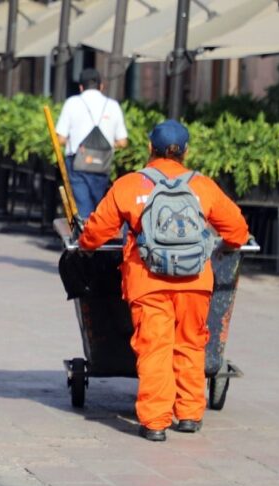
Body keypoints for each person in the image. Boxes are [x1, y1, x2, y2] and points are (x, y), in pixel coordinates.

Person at [78, 120, 250, 442]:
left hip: (148, 281)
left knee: (154, 347)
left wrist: (86, 245)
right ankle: (188, 414)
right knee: (191, 342)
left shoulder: (130, 185)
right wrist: (224, 245)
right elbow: (237, 231)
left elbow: (97, 230)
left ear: (149, 148)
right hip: (195, 281)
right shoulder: (203, 186)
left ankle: (156, 422)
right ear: (186, 151)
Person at [56, 68, 128, 220]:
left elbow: (60, 139)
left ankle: (85, 240)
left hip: (78, 163)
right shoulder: (113, 105)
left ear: (81, 87)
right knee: (98, 205)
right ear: (101, 86)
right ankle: (96, 236)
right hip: (102, 164)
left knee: (82, 207)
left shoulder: (72, 103)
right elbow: (123, 141)